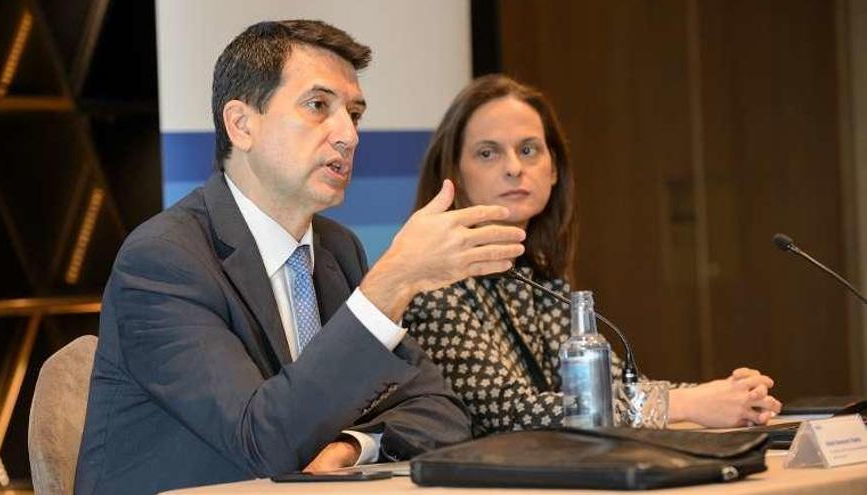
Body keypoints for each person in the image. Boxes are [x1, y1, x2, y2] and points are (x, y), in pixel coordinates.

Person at [75, 21, 527, 494]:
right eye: (318, 106)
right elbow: (263, 440)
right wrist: (389, 285)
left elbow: (440, 409)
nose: (348, 135)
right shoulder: (164, 261)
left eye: (354, 113)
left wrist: (352, 444)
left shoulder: (337, 249)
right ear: (241, 125)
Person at [403, 74, 782, 436]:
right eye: (488, 153)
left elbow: (611, 386)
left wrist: (726, 394)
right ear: (452, 174)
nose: (514, 168)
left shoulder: (540, 276)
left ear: (554, 169)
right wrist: (686, 403)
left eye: (528, 150)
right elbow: (509, 413)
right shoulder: (435, 283)